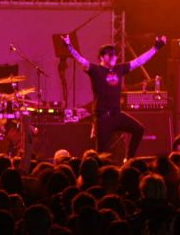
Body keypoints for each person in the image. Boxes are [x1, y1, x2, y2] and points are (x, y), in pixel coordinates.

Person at [61, 34, 167, 162]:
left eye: (114, 54)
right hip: (102, 117)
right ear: (101, 57)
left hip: (117, 115)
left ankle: (129, 159)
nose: (113, 57)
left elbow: (139, 61)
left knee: (139, 129)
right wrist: (68, 46)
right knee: (101, 154)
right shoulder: (96, 70)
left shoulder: (119, 69)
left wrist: (156, 48)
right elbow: (80, 60)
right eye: (109, 54)